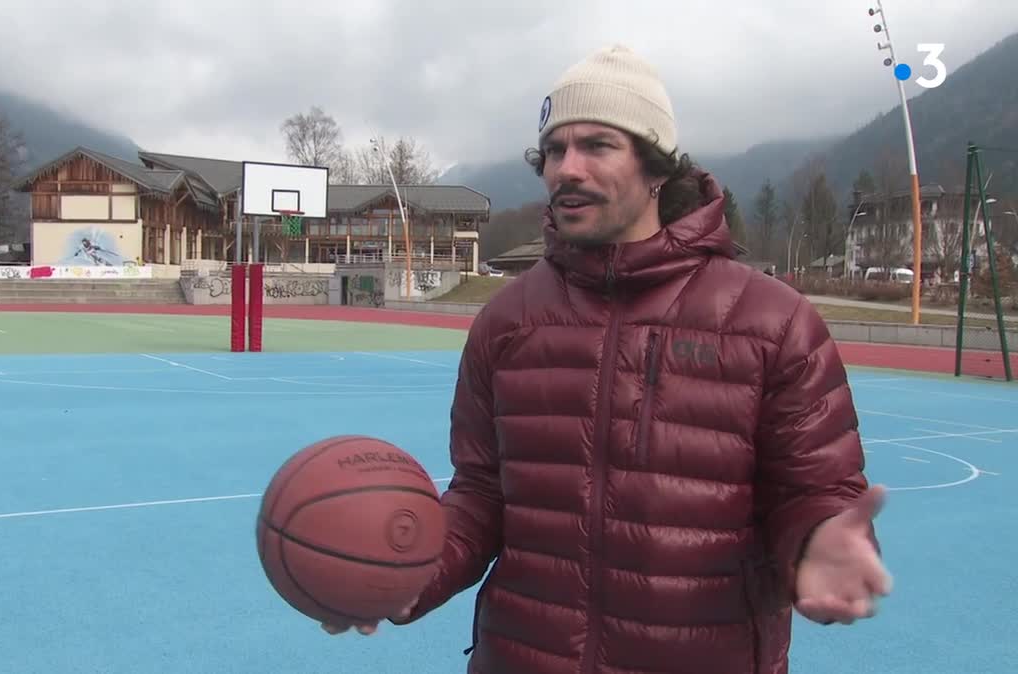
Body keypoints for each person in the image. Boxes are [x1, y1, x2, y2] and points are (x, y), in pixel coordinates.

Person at [323, 44, 891, 674]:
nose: (567, 168)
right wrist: (408, 573)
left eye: (597, 145)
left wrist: (819, 542)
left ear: (655, 169)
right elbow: (483, 494)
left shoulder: (771, 322)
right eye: (555, 150)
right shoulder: (507, 322)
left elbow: (814, 491)